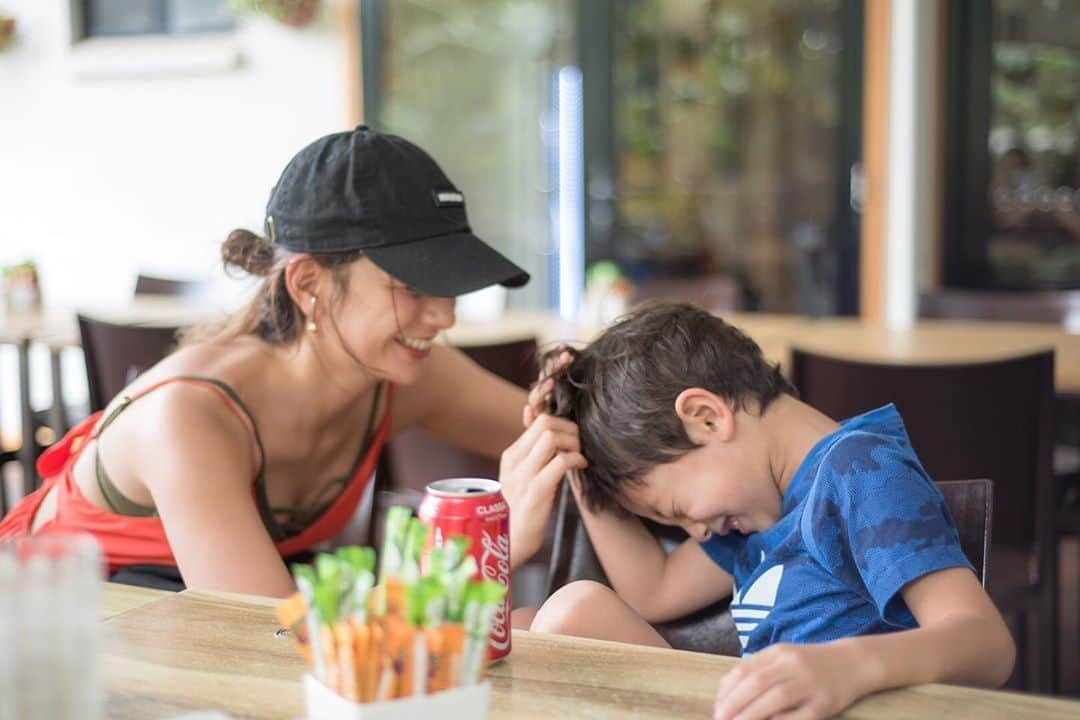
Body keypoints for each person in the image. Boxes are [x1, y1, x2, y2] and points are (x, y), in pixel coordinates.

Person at [0, 125, 584, 597]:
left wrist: (588, 395)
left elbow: (576, 441)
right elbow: (273, 643)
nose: (445, 317)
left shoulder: (404, 374)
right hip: (54, 633)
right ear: (309, 283)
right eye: (412, 286)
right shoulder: (190, 416)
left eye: (450, 285)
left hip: (189, 636)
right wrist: (490, 545)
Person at [510, 302, 1015, 720]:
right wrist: (573, 454)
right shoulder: (760, 517)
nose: (697, 533)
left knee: (572, 611)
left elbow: (987, 644)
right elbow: (653, 591)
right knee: (529, 625)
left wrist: (848, 667)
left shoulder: (858, 470)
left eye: (680, 509)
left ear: (706, 418)